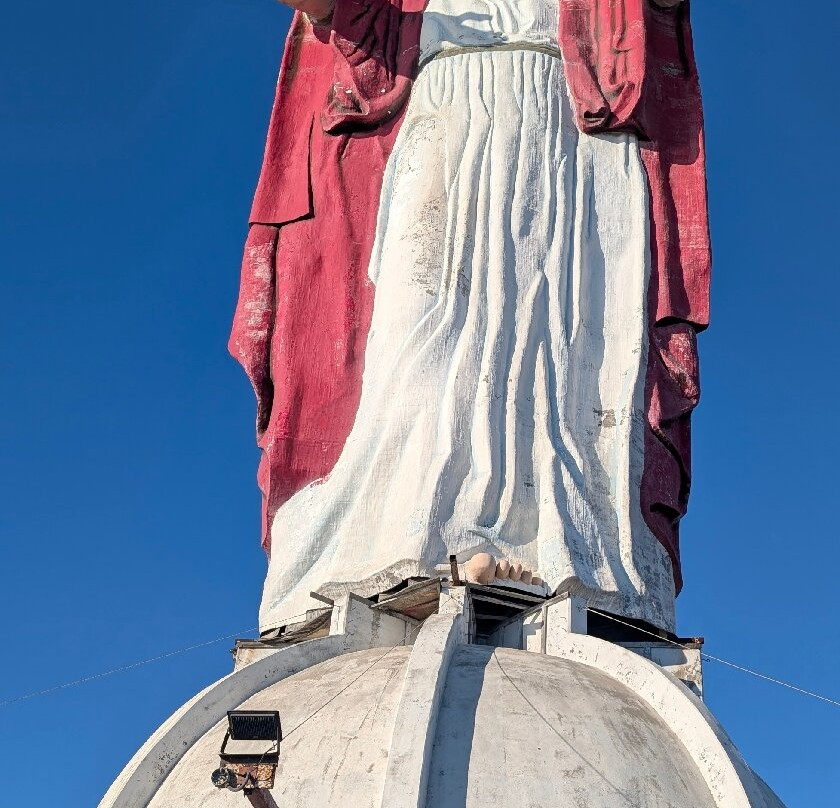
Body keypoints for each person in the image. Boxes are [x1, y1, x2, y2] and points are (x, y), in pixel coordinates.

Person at [231, 0, 711, 630]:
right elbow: (347, 24)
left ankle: (553, 542)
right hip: (444, 106)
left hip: (572, 130)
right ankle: (414, 534)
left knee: (567, 354)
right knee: (417, 333)